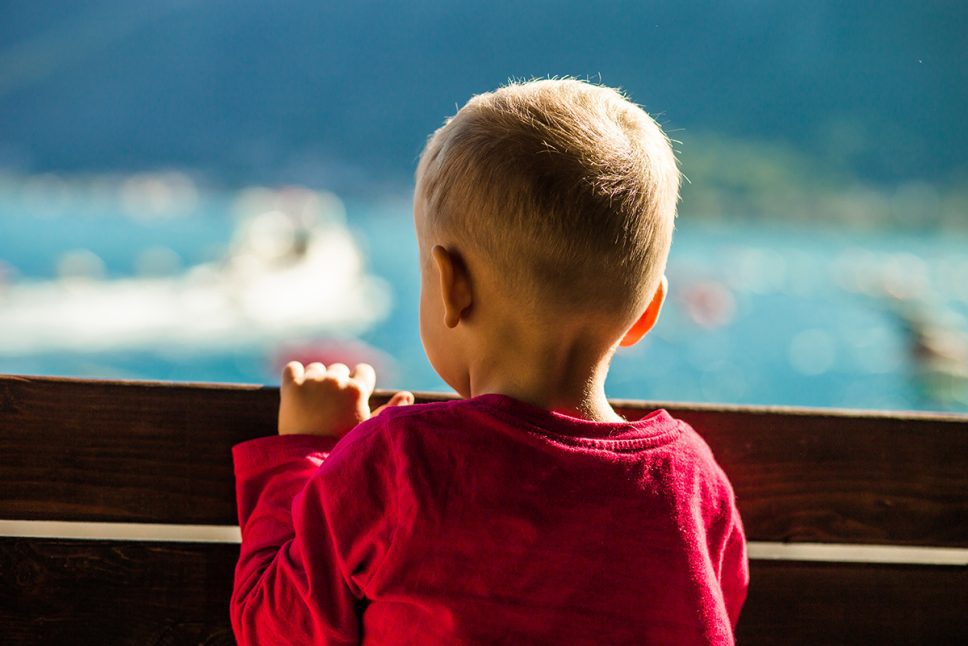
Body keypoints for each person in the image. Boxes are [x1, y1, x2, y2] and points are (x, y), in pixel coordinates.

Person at [231, 79, 748, 644]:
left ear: (452, 286)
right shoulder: (695, 484)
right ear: (647, 313)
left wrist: (303, 455)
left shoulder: (399, 461)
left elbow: (270, 629)